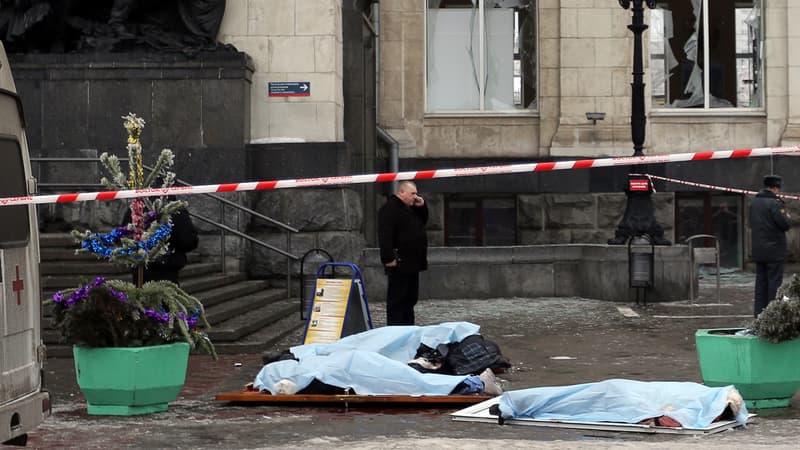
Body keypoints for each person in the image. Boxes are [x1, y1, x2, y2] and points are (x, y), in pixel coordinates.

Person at [377, 181, 428, 326]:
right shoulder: (390, 209)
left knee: (410, 299)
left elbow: (422, 222)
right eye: (412, 193)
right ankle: (396, 330)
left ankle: (408, 328)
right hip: (399, 262)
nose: (415, 197)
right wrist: (388, 257)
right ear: (401, 192)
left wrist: (422, 207)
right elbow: (384, 235)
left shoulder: (410, 209)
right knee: (397, 300)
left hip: (412, 262)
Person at [123, 203, 199, 285]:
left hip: (140, 269)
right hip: (166, 269)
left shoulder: (137, 206)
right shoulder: (173, 208)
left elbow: (124, 236)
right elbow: (188, 241)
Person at [749, 175, 791, 317]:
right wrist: (788, 217)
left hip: (758, 250)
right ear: (775, 188)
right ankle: (772, 315)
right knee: (774, 283)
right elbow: (785, 224)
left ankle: (759, 315)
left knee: (760, 284)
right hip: (774, 250)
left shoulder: (754, 203)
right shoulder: (775, 203)